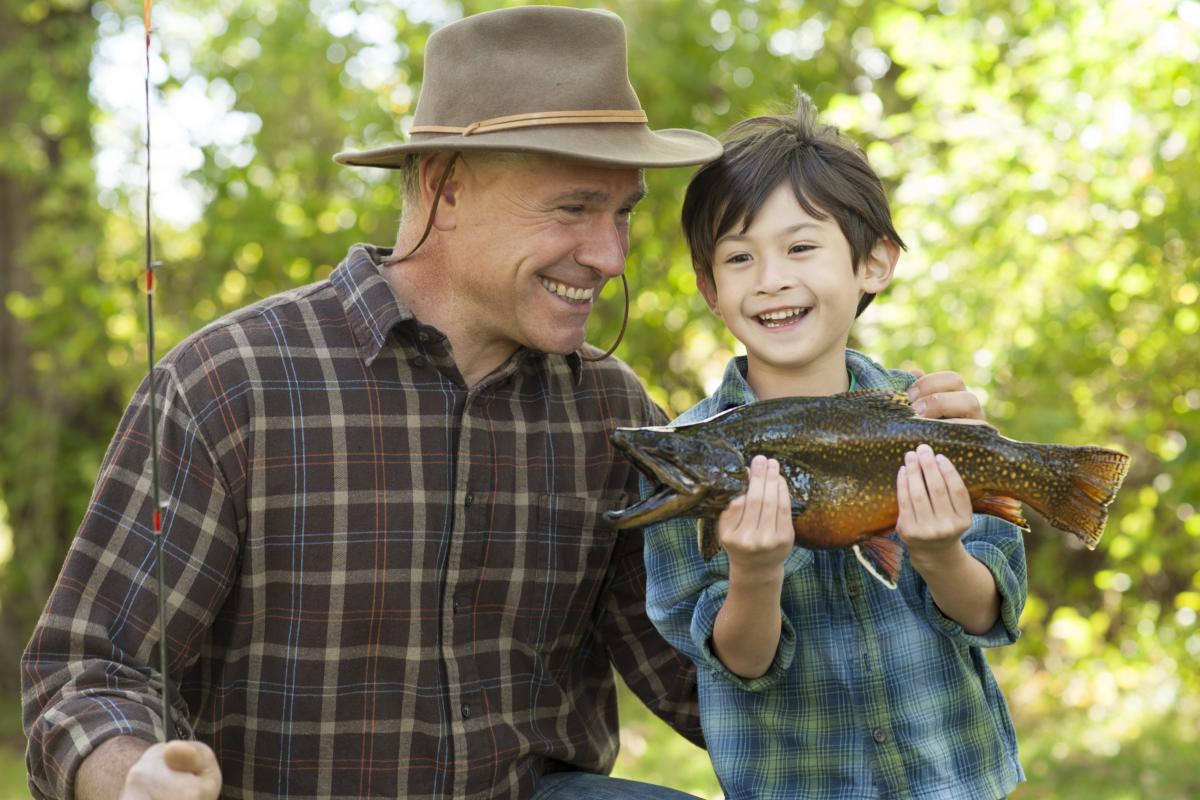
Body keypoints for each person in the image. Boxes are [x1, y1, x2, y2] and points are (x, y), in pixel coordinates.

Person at [22, 7, 986, 800]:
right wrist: (133, 775)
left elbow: (713, 682)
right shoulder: (231, 386)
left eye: (620, 216)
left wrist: (899, 488)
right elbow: (82, 673)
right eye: (572, 209)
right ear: (441, 186)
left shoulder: (609, 415)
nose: (609, 257)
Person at [642, 95, 1028, 800]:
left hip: (955, 779)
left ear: (874, 263)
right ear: (708, 288)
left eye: (800, 246)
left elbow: (989, 614)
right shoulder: (685, 462)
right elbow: (739, 663)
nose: (770, 278)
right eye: (738, 256)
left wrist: (941, 553)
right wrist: (754, 574)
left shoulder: (934, 416)